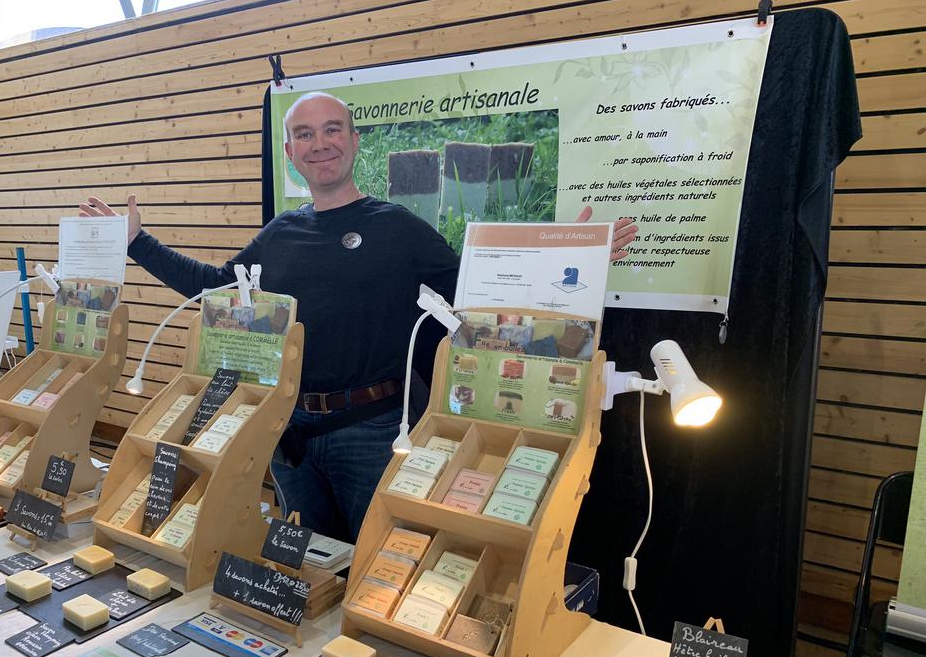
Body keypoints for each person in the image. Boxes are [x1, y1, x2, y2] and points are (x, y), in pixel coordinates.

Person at [80, 91, 637, 542]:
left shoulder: (398, 228)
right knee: (309, 562)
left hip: (374, 432)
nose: (319, 143)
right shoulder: (280, 233)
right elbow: (219, 290)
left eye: (332, 130)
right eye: (304, 134)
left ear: (353, 141)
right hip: (289, 431)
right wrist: (138, 243)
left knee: (376, 561)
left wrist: (565, 260)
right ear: (291, 152)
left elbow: (476, 292)